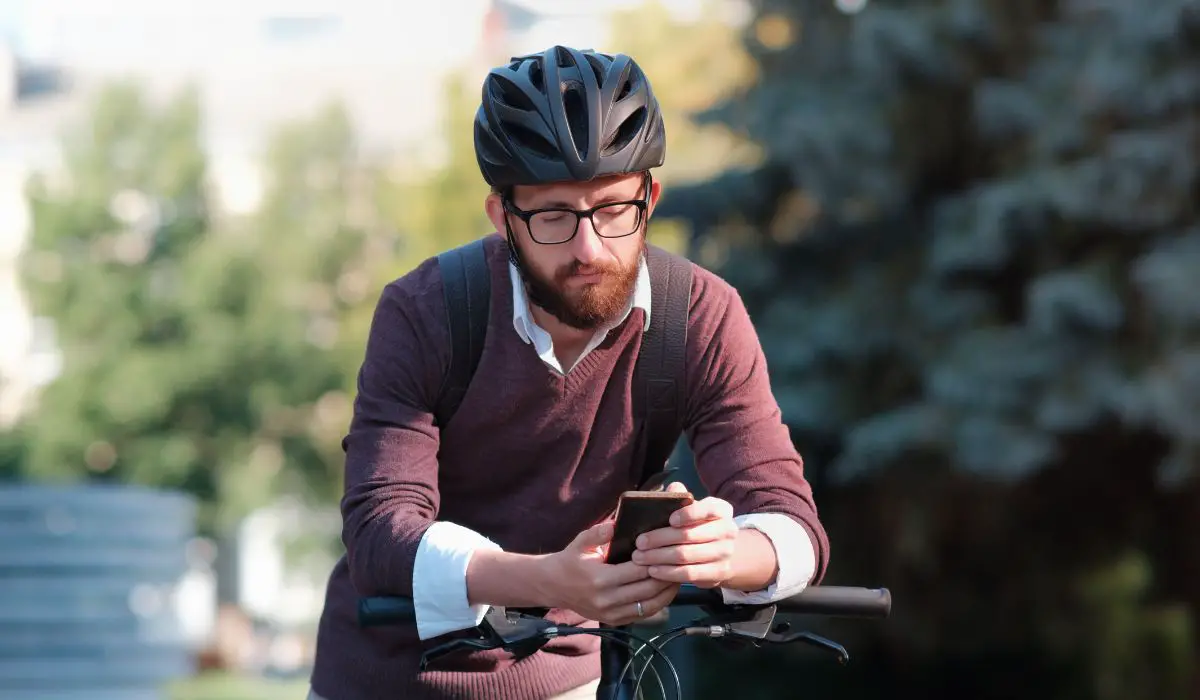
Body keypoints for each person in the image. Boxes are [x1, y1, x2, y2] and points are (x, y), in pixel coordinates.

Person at [307, 45, 830, 700]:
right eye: (554, 216)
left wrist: (727, 555)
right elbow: (381, 535)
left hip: (564, 680)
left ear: (650, 197)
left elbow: (791, 522)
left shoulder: (701, 316)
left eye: (613, 210)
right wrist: (547, 580)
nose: (590, 249)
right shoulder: (426, 310)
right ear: (504, 218)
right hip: (387, 679)